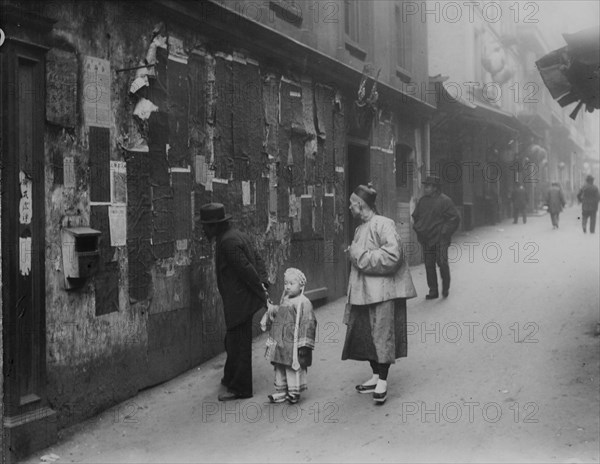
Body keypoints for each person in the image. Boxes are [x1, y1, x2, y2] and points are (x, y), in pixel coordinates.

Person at [342, 184, 417, 405]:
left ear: (360, 205)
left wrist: (359, 256)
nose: (349, 208)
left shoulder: (384, 224)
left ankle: (383, 381)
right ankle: (375, 375)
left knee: (382, 335)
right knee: (365, 334)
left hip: (382, 293)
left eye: (351, 204)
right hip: (362, 293)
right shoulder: (360, 228)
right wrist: (355, 255)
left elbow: (393, 257)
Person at [199, 202, 270, 401]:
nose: (203, 230)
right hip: (240, 300)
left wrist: (262, 293)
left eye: (205, 226)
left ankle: (242, 388)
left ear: (214, 225)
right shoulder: (236, 235)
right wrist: (263, 283)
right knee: (233, 340)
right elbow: (257, 259)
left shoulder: (227, 242)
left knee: (239, 343)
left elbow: (246, 269)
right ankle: (230, 377)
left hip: (240, 301)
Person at [261, 268, 317, 405]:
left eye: (292, 283)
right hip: (279, 341)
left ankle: (293, 391)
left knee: (292, 367)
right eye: (286, 283)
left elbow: (308, 323)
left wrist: (304, 344)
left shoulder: (304, 302)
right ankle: (281, 390)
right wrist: (269, 311)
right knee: (279, 366)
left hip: (292, 343)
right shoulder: (285, 299)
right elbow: (280, 311)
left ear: (301, 285)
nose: (287, 286)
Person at [412, 175, 461, 299]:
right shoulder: (422, 201)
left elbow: (454, 218)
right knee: (429, 265)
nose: (425, 189)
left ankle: (445, 288)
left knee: (442, 262)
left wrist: (444, 232)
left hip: (440, 239)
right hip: (427, 238)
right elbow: (416, 216)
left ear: (435, 188)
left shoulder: (445, 201)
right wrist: (419, 229)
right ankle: (433, 291)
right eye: (425, 186)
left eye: (428, 186)